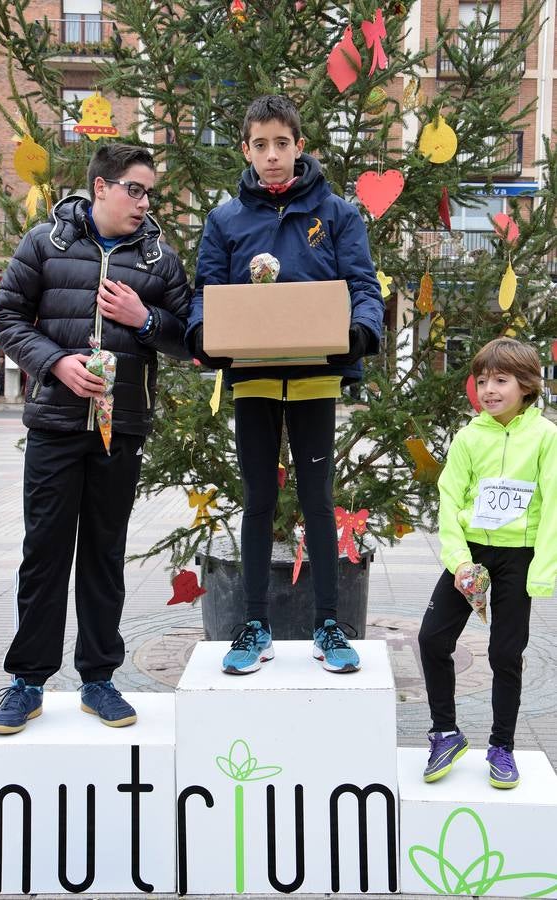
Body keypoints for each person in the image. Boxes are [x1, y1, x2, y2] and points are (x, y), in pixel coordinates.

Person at [0, 143, 191, 734]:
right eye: (134, 188)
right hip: (54, 424)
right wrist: (54, 363)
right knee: (44, 553)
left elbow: (190, 339)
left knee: (104, 555)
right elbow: (6, 318)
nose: (144, 201)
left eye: (149, 191)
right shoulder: (44, 244)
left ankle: (99, 680)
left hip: (119, 430)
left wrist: (143, 319)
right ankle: (26, 681)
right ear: (100, 187)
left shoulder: (158, 259)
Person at [187, 95, 384, 676]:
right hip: (252, 377)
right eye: (259, 145)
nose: (271, 156)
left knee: (319, 501)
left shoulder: (338, 214)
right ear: (245, 150)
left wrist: (360, 334)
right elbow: (205, 292)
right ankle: (253, 625)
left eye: (281, 143)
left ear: (299, 146)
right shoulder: (226, 220)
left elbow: (363, 286)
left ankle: (329, 623)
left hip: (316, 376)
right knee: (258, 500)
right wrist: (203, 332)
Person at [418, 337, 557, 789]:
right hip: (471, 553)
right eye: (482, 381)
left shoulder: (545, 437)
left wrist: (542, 572)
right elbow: (448, 497)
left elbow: (554, 504)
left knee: (504, 654)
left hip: (520, 556)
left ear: (527, 385)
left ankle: (502, 746)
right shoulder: (468, 437)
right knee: (432, 638)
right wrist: (458, 560)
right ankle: (445, 733)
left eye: (501, 380)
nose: (490, 390)